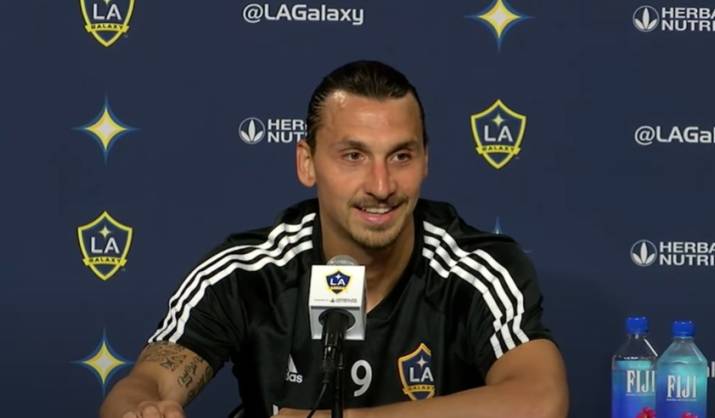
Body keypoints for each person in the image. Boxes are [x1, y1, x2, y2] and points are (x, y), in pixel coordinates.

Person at [100, 60, 569, 418]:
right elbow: (146, 384)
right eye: (353, 156)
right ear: (307, 163)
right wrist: (140, 411)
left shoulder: (476, 267)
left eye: (401, 156)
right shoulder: (247, 272)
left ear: (426, 160)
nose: (381, 186)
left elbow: (540, 399)